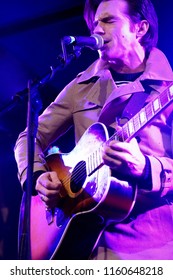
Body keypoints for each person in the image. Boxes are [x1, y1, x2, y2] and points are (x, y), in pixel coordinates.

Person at [14, 0, 173, 260]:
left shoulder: (168, 88)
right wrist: (38, 175)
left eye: (109, 21)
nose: (97, 30)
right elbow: (28, 137)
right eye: (94, 23)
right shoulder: (81, 86)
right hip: (84, 240)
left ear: (140, 28)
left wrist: (145, 167)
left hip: (151, 244)